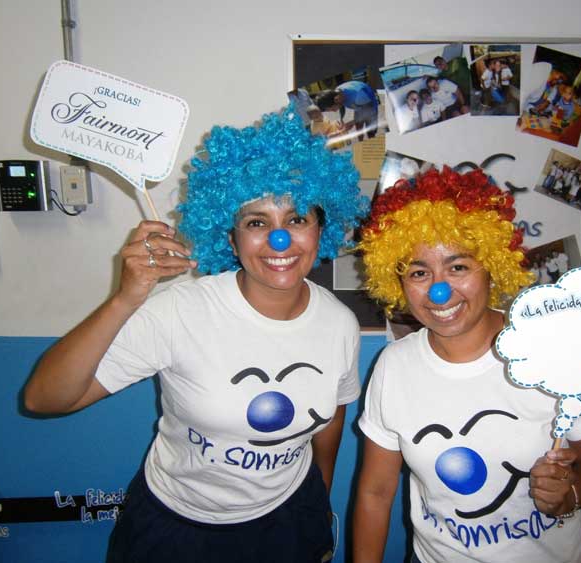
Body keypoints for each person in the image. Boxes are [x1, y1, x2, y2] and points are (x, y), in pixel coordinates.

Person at [24, 106, 369, 563]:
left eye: (297, 218)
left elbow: (331, 418)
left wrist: (319, 496)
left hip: (288, 517)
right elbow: (43, 399)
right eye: (257, 222)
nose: (279, 240)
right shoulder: (181, 312)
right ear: (231, 240)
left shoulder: (339, 323)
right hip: (178, 528)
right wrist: (125, 298)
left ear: (320, 230)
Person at [352, 167, 581, 563]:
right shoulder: (394, 365)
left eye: (458, 267)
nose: (439, 289)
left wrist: (571, 493)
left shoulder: (550, 351)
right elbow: (375, 492)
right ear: (397, 282)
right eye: (419, 272)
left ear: (491, 265)